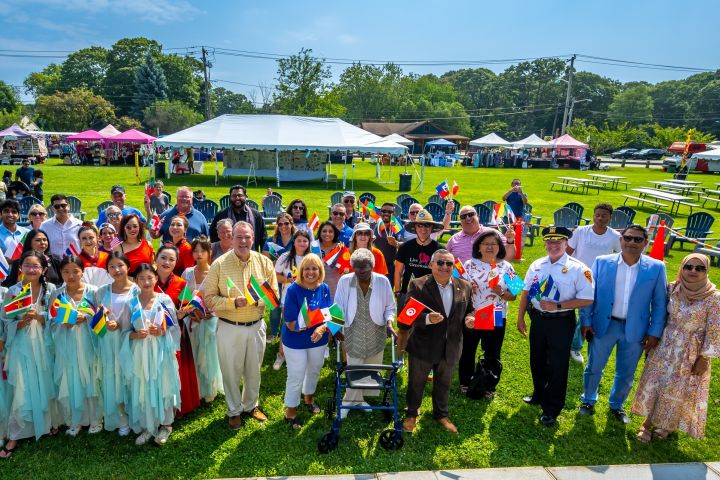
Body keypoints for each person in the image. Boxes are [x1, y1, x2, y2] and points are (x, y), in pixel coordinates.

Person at [578, 224, 667, 425]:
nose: (632, 243)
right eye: (628, 238)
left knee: (626, 372)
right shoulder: (602, 263)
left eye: (637, 239)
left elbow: (660, 303)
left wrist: (654, 332)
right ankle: (588, 399)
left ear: (646, 243)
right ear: (621, 240)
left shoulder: (656, 267)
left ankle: (617, 405)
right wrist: (586, 320)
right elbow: (588, 294)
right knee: (594, 366)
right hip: (604, 325)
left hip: (636, 329)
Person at [632, 253, 720, 441]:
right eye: (688, 267)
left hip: (691, 352)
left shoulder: (714, 297)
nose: (693, 271)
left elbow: (715, 331)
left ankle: (668, 425)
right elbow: (660, 314)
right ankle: (647, 424)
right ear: (682, 267)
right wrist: (652, 336)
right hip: (665, 345)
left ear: (707, 271)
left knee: (679, 390)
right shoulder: (672, 288)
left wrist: (704, 358)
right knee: (657, 384)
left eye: (699, 268)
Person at [517, 227, 594, 427]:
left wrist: (558, 305)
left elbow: (587, 298)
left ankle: (551, 408)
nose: (553, 246)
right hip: (539, 320)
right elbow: (526, 292)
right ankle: (538, 394)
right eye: (549, 242)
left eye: (558, 242)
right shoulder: (536, 265)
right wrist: (520, 318)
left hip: (561, 321)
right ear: (545, 244)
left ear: (566, 243)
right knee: (537, 358)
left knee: (558, 365)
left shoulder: (579, 268)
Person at [204, 221, 278, 430]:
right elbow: (208, 298)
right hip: (229, 326)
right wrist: (232, 303)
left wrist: (256, 301)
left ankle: (250, 405)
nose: (243, 241)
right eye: (239, 237)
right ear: (231, 239)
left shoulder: (264, 262)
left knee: (253, 370)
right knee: (231, 371)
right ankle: (234, 410)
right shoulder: (219, 264)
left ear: (253, 238)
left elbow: (275, 297)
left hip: (256, 325)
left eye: (247, 237)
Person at [397, 249, 474, 434]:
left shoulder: (464, 286)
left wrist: (471, 318)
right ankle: (411, 413)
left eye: (449, 263)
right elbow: (407, 316)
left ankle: (441, 414)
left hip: (451, 345)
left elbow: (470, 309)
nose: (444, 267)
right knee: (416, 382)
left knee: (444, 382)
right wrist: (427, 319)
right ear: (431, 265)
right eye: (440, 263)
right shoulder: (418, 285)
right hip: (424, 345)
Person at [0, 252, 58, 457]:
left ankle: (47, 422)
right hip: (21, 345)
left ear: (43, 269)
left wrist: (41, 317)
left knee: (44, 380)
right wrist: (20, 322)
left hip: (43, 344)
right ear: (20, 268)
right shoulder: (13, 291)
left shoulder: (49, 290)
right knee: (22, 384)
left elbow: (56, 315)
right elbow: (6, 320)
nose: (31, 269)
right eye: (27, 265)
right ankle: (16, 433)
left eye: (36, 266)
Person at [123, 263, 180, 446]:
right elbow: (124, 331)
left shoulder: (165, 300)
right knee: (143, 385)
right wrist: (135, 335)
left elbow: (174, 328)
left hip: (160, 351)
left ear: (156, 278)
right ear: (135, 280)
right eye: (141, 278)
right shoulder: (131, 303)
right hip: (140, 352)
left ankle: (166, 425)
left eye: (150, 277)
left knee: (162, 384)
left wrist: (162, 332)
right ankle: (148, 425)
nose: (146, 282)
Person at [335, 249, 395, 418]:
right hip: (353, 330)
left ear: (372, 266)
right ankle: (348, 402)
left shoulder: (382, 281)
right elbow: (337, 306)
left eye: (365, 267)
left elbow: (390, 307)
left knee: (369, 368)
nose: (361, 271)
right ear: (352, 266)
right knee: (355, 368)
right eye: (357, 267)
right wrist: (336, 330)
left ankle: (359, 399)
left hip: (376, 331)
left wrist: (390, 322)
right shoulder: (345, 281)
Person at [459, 230, 518, 397]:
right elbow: (458, 288)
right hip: (473, 313)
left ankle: (488, 385)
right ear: (479, 247)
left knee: (493, 351)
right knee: (468, 349)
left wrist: (501, 292)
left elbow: (514, 296)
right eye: (486, 244)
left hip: (497, 314)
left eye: (494, 243)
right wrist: (467, 288)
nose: (490, 247)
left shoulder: (507, 267)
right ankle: (466, 381)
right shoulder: (469, 264)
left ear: (500, 247)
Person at [49, 256, 101, 436]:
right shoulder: (57, 294)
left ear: (82, 272)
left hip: (89, 341)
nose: (71, 276)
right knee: (71, 377)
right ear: (61, 273)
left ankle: (95, 418)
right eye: (66, 272)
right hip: (67, 342)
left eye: (75, 271)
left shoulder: (93, 292)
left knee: (91, 376)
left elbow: (101, 317)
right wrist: (64, 323)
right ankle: (75, 419)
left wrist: (86, 318)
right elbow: (51, 321)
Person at [280, 254, 331, 429]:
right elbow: (291, 324)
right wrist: (318, 321)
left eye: (314, 268)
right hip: (295, 340)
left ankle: (309, 397)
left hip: (318, 339)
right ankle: (291, 410)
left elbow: (330, 314)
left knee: (315, 370)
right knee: (296, 374)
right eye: (307, 268)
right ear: (301, 271)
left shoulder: (324, 288)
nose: (311, 272)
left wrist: (323, 327)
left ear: (320, 271)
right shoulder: (293, 290)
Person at [566, 203, 621, 363]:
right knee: (569, 311)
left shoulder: (615, 236)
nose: (600, 218)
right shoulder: (581, 231)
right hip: (576, 277)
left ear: (610, 217)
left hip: (599, 281)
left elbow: (622, 255)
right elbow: (568, 252)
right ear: (593, 215)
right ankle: (565, 342)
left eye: (604, 215)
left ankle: (575, 347)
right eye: (597, 215)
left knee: (585, 314)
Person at [154, 245, 199, 416]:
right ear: (155, 258)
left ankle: (177, 404)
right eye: (163, 257)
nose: (167, 262)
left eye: (171, 259)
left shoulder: (181, 283)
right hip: (152, 333)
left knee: (175, 370)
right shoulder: (147, 280)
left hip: (175, 334)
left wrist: (183, 313)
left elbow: (187, 307)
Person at [94, 253, 136, 435]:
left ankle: (135, 414)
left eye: (120, 265)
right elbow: (95, 319)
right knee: (113, 377)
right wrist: (105, 325)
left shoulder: (137, 289)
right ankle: (121, 418)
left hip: (130, 341)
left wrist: (121, 325)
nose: (117, 270)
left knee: (131, 377)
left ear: (128, 267)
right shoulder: (102, 291)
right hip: (108, 342)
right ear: (107, 270)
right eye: (112, 267)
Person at [181, 236, 223, 403]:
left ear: (209, 252)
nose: (199, 254)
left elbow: (221, 296)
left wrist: (210, 313)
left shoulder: (215, 272)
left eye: (202, 251)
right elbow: (182, 296)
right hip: (191, 320)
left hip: (210, 319)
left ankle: (210, 388)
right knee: (194, 352)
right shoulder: (187, 272)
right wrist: (190, 312)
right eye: (195, 251)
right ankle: (196, 386)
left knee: (209, 354)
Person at [274, 230, 312, 370]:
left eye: (305, 241)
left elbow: (319, 276)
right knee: (287, 325)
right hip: (288, 298)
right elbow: (275, 275)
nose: (302, 243)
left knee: (306, 325)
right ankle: (281, 354)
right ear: (294, 242)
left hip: (307, 299)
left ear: (308, 243)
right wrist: (287, 279)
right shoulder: (285, 257)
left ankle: (304, 354)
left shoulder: (312, 258)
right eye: (299, 240)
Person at [394, 209, 442, 309]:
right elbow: (398, 271)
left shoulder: (440, 250)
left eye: (427, 225)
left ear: (432, 227)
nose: (423, 229)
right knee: (405, 324)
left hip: (431, 294)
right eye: (420, 225)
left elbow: (445, 273)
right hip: (407, 293)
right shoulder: (405, 247)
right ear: (415, 227)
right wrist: (398, 291)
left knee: (430, 323)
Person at [262, 213, 296, 344]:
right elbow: (265, 261)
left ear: (291, 224)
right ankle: (274, 332)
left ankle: (288, 331)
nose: (283, 226)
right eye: (280, 224)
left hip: (292, 278)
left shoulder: (297, 239)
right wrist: (277, 262)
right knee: (274, 307)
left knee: (289, 305)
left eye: (286, 223)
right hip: (274, 278)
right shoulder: (271, 241)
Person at [446, 205, 516, 265]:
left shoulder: (493, 234)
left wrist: (510, 242)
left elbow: (508, 257)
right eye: (463, 216)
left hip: (490, 278)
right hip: (462, 279)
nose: (467, 218)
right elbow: (445, 259)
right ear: (460, 221)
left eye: (471, 214)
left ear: (478, 216)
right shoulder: (453, 239)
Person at [210, 185, 267, 251]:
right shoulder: (221, 215)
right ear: (230, 198)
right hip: (228, 256)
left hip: (251, 255)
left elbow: (263, 238)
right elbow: (213, 236)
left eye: (240, 195)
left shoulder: (256, 215)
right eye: (234, 196)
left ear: (245, 197)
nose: (237, 198)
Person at [371, 203, 403, 283]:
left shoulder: (397, 227)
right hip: (373, 265)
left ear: (393, 214)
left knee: (387, 293)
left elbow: (405, 244)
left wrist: (396, 243)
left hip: (389, 267)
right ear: (380, 212)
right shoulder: (373, 226)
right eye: (384, 211)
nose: (386, 214)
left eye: (389, 212)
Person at [316, 221, 343, 297]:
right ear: (320, 232)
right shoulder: (313, 246)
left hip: (336, 288)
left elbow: (345, 268)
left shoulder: (340, 248)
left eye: (330, 231)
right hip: (316, 287)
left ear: (335, 234)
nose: (327, 234)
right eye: (324, 231)